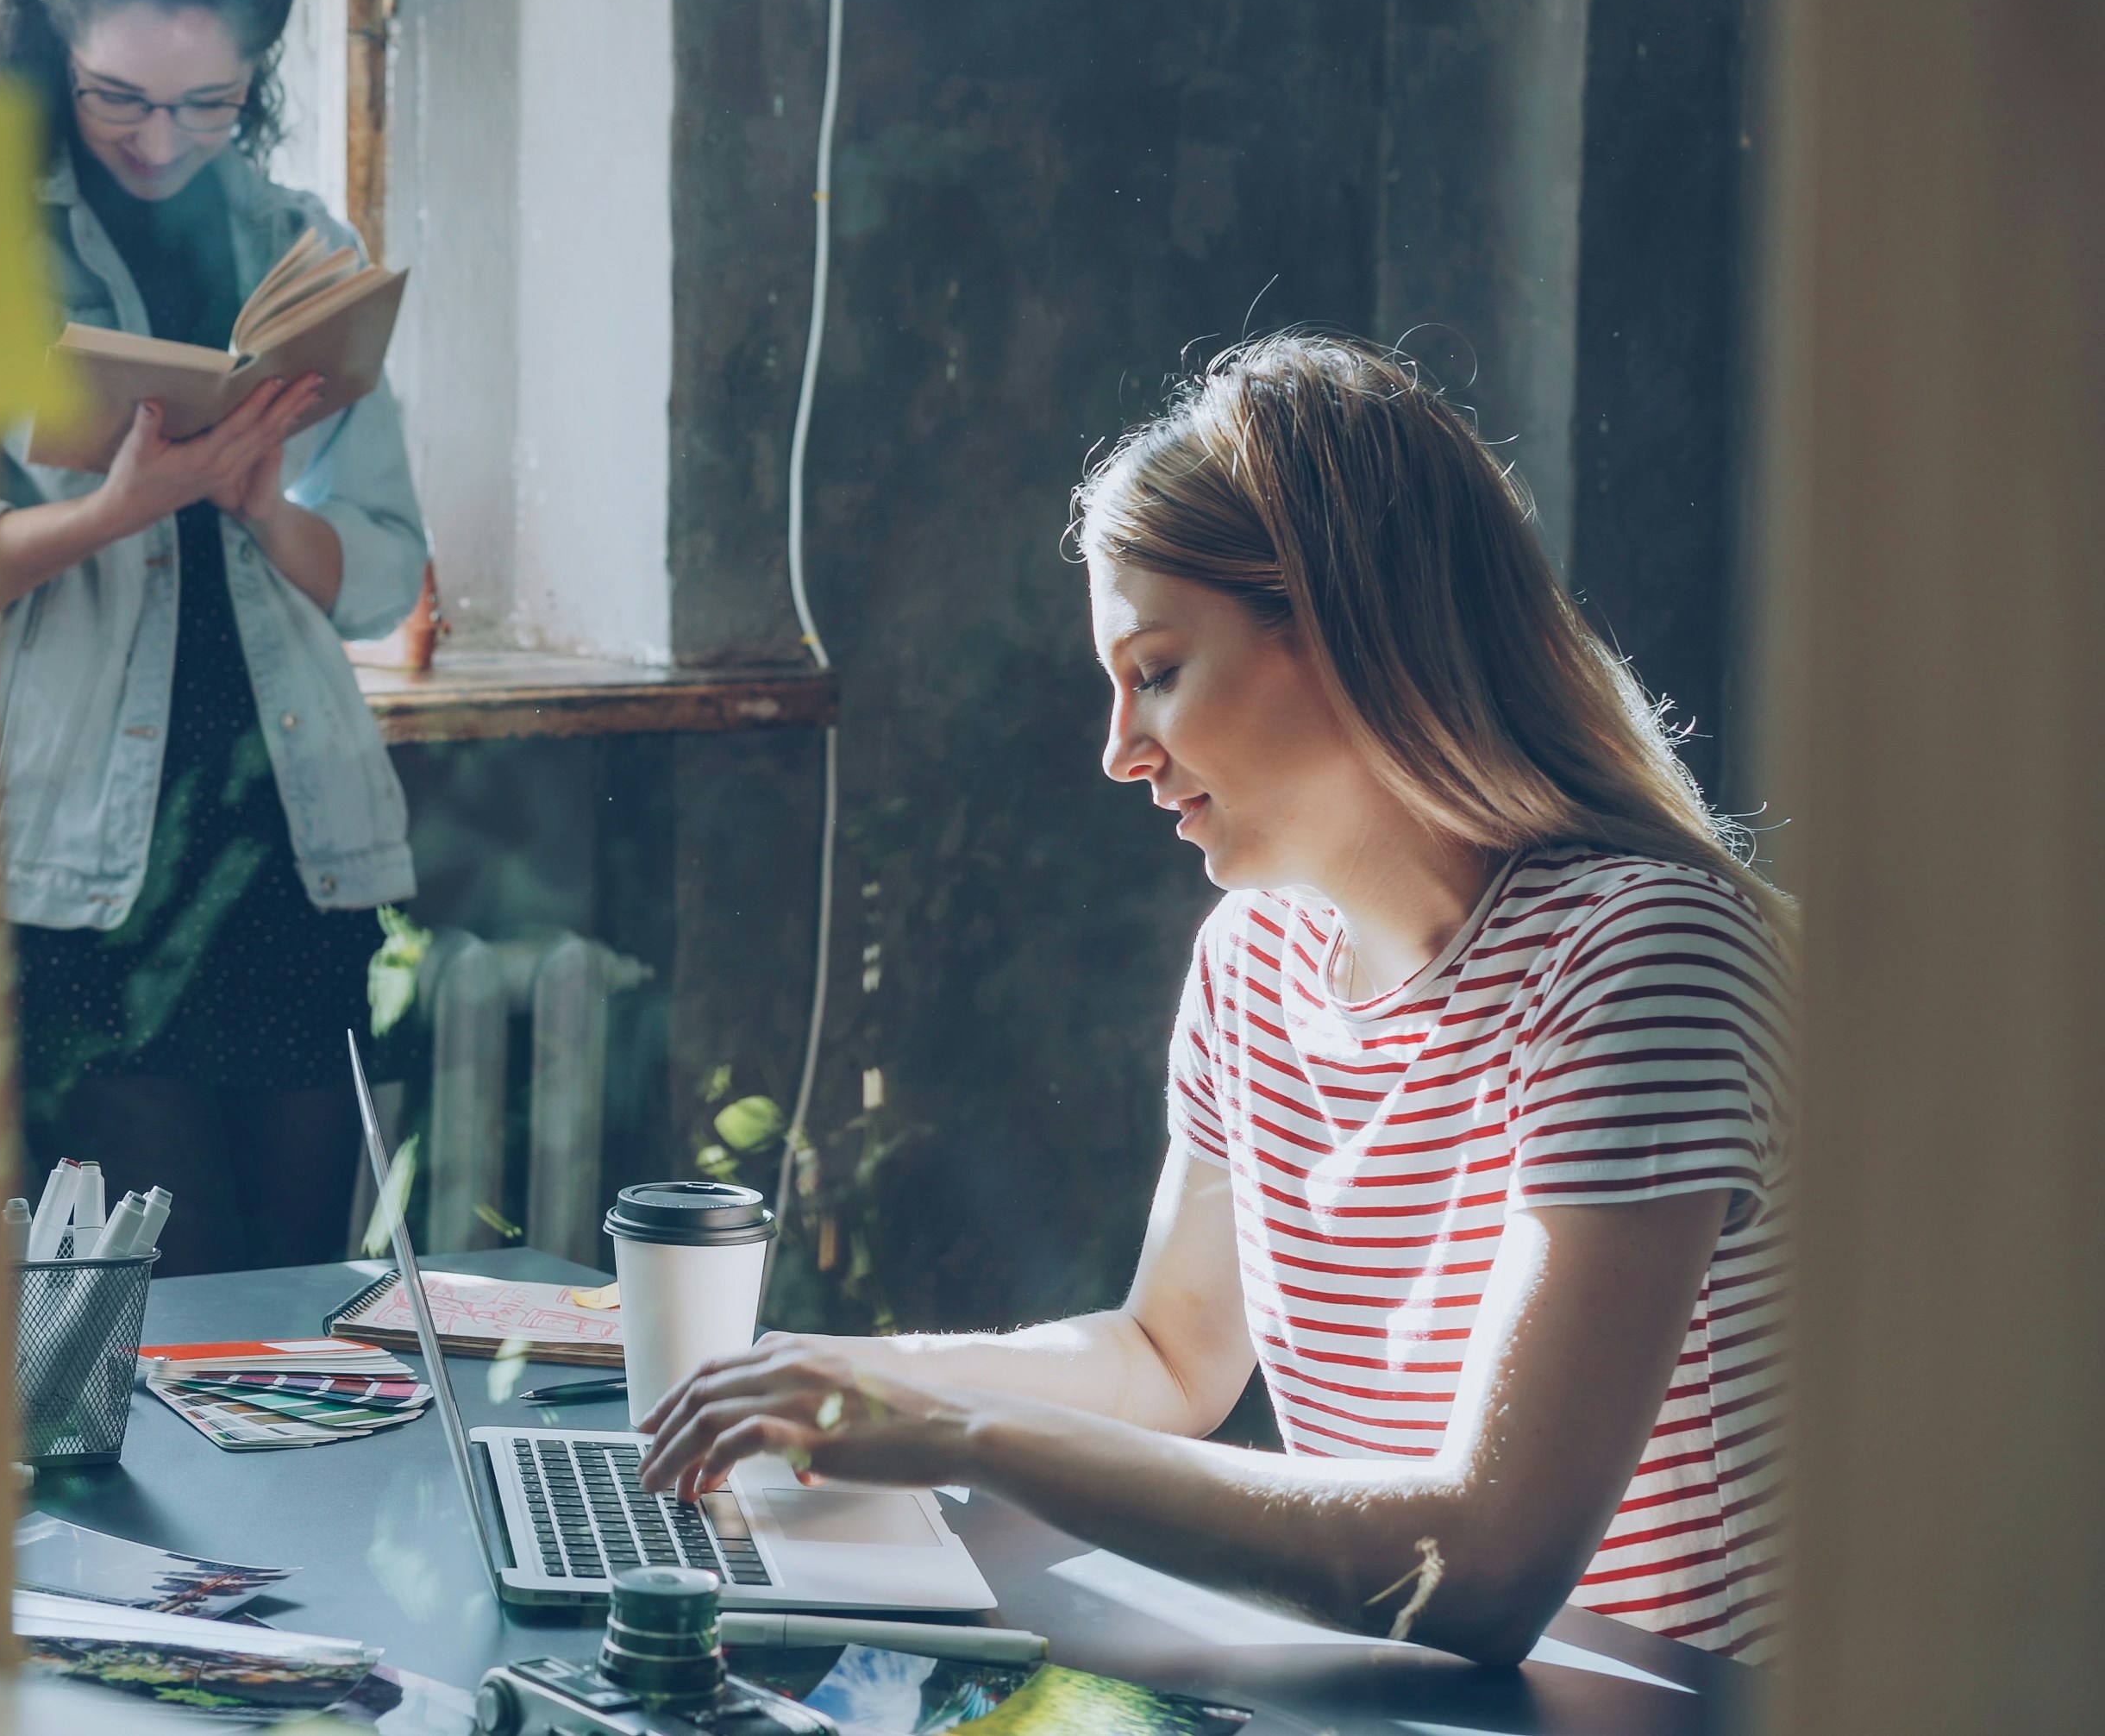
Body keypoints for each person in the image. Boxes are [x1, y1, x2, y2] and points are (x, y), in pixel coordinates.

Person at [640, 334, 1789, 1666]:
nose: (1121, 750)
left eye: (1160, 671)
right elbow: (1167, 1356)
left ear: (1352, 630)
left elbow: (1481, 1562)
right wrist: (853, 1381)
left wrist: (963, 1432)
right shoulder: (1254, 965)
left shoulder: (1646, 960)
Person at [0, 0, 426, 1276]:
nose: (157, 137)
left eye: (205, 102)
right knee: (152, 1320)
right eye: (117, 95)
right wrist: (123, 508)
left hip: (297, 844)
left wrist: (261, 503)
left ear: (256, 79)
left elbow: (382, 576)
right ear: (60, 64)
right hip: (90, 872)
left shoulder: (306, 251)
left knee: (300, 1307)